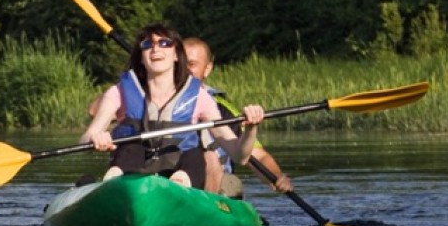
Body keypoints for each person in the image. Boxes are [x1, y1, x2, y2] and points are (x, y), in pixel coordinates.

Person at [81, 23, 266, 190]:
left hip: (180, 172)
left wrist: (251, 129)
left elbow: (239, 156)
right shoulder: (119, 92)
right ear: (141, 57)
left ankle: (180, 184)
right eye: (147, 44)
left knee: (198, 154)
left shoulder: (200, 97)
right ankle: (115, 180)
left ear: (176, 54)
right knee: (132, 147)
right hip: (132, 172)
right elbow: (85, 139)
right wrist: (95, 139)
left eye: (164, 43)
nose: (155, 48)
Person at [184, 37, 295, 197]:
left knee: (209, 157)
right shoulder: (157, 102)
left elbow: (258, 155)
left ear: (207, 69)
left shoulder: (222, 108)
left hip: (219, 184)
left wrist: (277, 177)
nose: (184, 69)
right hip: (180, 179)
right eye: (179, 63)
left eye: (192, 64)